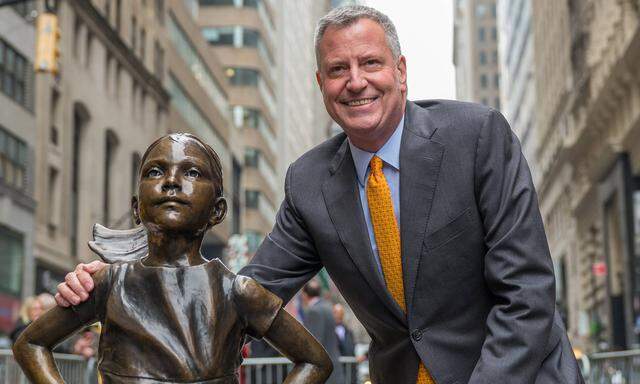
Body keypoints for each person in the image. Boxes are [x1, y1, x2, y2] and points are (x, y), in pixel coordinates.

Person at [56, 6, 584, 384]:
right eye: (338, 70)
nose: (356, 82)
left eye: (370, 64)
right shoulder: (310, 182)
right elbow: (248, 290)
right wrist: (111, 280)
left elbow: (528, 293)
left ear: (401, 72)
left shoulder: (478, 136)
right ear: (321, 84)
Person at [14, 133, 332, 384]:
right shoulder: (109, 284)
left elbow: (315, 362)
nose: (171, 181)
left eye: (192, 172)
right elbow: (30, 345)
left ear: (217, 210)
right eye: (155, 171)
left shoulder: (238, 292)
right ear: (137, 207)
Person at [301, 280, 343, 384]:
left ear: (305, 295)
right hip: (334, 367)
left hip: (323, 371)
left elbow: (314, 343)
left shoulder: (313, 311)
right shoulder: (328, 307)